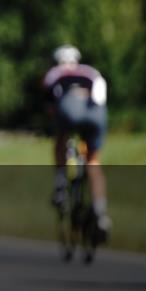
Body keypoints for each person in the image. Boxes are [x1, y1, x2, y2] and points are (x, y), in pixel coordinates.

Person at [43, 44, 110, 238]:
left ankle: (60, 186)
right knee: (94, 163)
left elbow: (50, 106)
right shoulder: (91, 72)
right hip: (96, 115)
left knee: (60, 138)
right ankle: (100, 213)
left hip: (69, 112)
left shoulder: (54, 73)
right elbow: (101, 98)